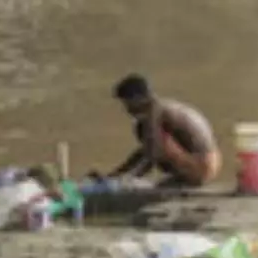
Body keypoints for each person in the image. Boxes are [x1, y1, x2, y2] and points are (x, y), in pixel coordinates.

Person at [94, 74, 222, 188]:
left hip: (202, 167)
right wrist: (114, 176)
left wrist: (129, 181)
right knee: (146, 134)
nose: (127, 109)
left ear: (139, 98)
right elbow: (142, 152)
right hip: (209, 163)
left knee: (147, 133)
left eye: (127, 103)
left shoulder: (155, 114)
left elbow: (154, 154)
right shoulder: (161, 108)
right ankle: (186, 175)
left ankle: (189, 177)